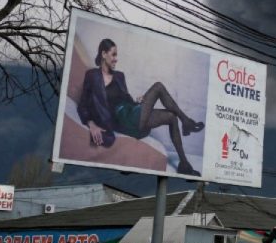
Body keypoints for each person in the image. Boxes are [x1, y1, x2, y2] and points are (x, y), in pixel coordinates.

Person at [78, 38, 204, 176]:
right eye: (113, 54)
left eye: (116, 55)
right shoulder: (92, 76)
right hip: (121, 120)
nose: (116, 59)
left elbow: (126, 99)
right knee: (158, 86)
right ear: (103, 54)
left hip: (131, 114)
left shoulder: (120, 76)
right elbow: (83, 105)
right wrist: (91, 124)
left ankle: (184, 164)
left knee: (171, 117)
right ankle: (186, 122)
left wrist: (138, 102)